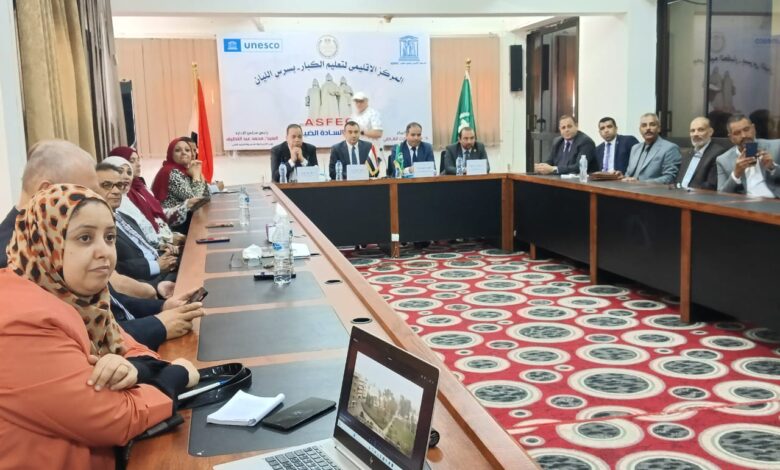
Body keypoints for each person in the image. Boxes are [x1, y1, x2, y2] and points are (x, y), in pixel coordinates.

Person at [0, 184, 199, 469]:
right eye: (84, 238)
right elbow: (117, 418)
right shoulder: (19, 321)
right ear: (44, 241)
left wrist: (130, 369)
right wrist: (176, 375)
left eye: (109, 237)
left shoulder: (81, 299)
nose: (104, 252)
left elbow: (137, 351)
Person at [0, 140, 165, 300]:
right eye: (84, 193)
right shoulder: (12, 259)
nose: (96, 200)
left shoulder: (50, 230)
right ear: (46, 192)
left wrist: (161, 309)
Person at [97, 162, 179, 284]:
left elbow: (142, 247)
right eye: (107, 185)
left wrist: (161, 249)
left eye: (119, 185)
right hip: (145, 282)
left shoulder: (124, 217)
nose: (116, 191)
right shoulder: (97, 227)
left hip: (161, 267)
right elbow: (115, 268)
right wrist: (156, 266)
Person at [109, 146, 189, 242]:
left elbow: (158, 214)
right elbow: (140, 229)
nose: (138, 164)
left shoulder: (141, 186)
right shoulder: (121, 197)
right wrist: (169, 240)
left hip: (164, 236)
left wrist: (186, 206)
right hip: (158, 243)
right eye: (132, 161)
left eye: (138, 160)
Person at [716, 114, 780, 197]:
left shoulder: (776, 146)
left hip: (774, 199)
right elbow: (721, 195)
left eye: (746, 129)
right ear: (731, 138)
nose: (744, 135)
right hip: (745, 202)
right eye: (737, 133)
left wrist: (772, 167)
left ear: (753, 129)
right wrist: (736, 174)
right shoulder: (723, 160)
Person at [151, 137, 209, 228]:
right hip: (173, 225)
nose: (184, 152)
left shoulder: (185, 170)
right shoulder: (170, 172)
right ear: (171, 154)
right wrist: (196, 175)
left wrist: (199, 174)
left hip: (186, 220)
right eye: (178, 150)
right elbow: (196, 201)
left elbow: (207, 195)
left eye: (187, 150)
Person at [623, 113, 681, 183]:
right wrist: (622, 177)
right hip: (629, 188)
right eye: (644, 125)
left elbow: (669, 178)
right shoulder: (635, 148)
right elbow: (628, 174)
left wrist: (641, 183)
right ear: (640, 130)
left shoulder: (670, 148)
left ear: (659, 128)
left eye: (652, 124)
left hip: (651, 189)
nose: (648, 128)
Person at [676, 117, 725, 190]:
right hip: (678, 193)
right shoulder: (687, 154)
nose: (695, 134)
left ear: (710, 132)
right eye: (692, 131)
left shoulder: (718, 153)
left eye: (700, 130)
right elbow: (678, 180)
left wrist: (688, 192)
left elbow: (710, 185)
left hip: (699, 195)